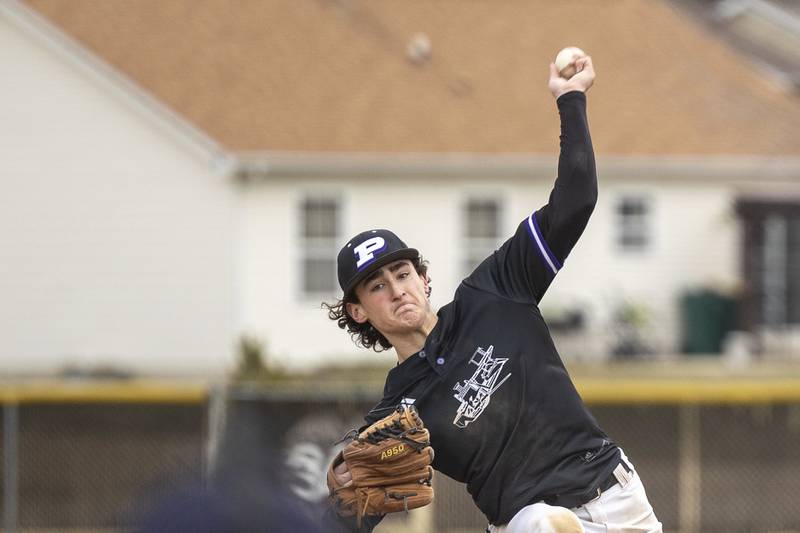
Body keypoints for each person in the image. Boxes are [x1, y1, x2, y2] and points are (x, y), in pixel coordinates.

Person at [323, 56, 662, 533]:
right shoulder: (398, 413)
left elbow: (577, 198)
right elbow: (348, 518)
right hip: (525, 522)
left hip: (617, 500)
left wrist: (571, 99)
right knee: (543, 524)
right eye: (377, 286)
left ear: (424, 279)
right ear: (358, 312)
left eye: (402, 273)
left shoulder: (493, 292)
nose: (397, 290)